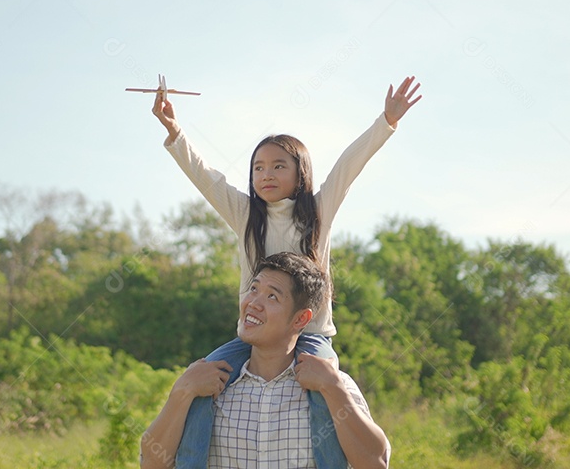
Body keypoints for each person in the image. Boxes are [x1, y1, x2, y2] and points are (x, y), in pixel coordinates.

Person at [151, 75, 421, 467]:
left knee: (321, 396)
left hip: (310, 335)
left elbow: (349, 165)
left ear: (301, 173)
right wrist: (175, 130)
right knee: (202, 381)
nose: (267, 175)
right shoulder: (246, 215)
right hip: (256, 331)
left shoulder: (317, 212)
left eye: (279, 166)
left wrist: (387, 121)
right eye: (258, 167)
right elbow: (205, 177)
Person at [140, 252, 390, 468]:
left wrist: (333, 389)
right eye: (254, 289)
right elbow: (152, 464)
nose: (253, 303)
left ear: (301, 319)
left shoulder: (332, 386)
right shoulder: (207, 383)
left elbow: (375, 464)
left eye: (272, 297)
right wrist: (182, 391)